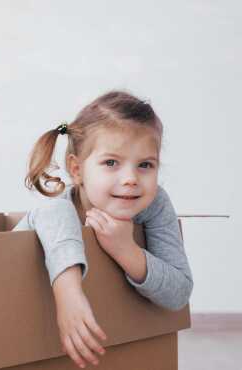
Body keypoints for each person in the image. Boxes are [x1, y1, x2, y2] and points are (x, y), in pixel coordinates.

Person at [14, 91, 193, 369]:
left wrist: (127, 251)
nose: (131, 179)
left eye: (145, 165)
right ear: (76, 169)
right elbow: (49, 213)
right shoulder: (59, 209)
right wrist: (69, 295)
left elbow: (179, 293)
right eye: (111, 163)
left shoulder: (155, 204)